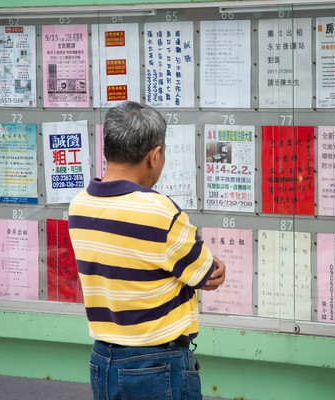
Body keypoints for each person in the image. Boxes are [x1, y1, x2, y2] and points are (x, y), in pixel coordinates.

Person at [68, 101, 226, 400]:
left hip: (103, 360)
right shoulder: (159, 211)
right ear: (154, 156)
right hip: (157, 363)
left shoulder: (79, 204)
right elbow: (207, 273)